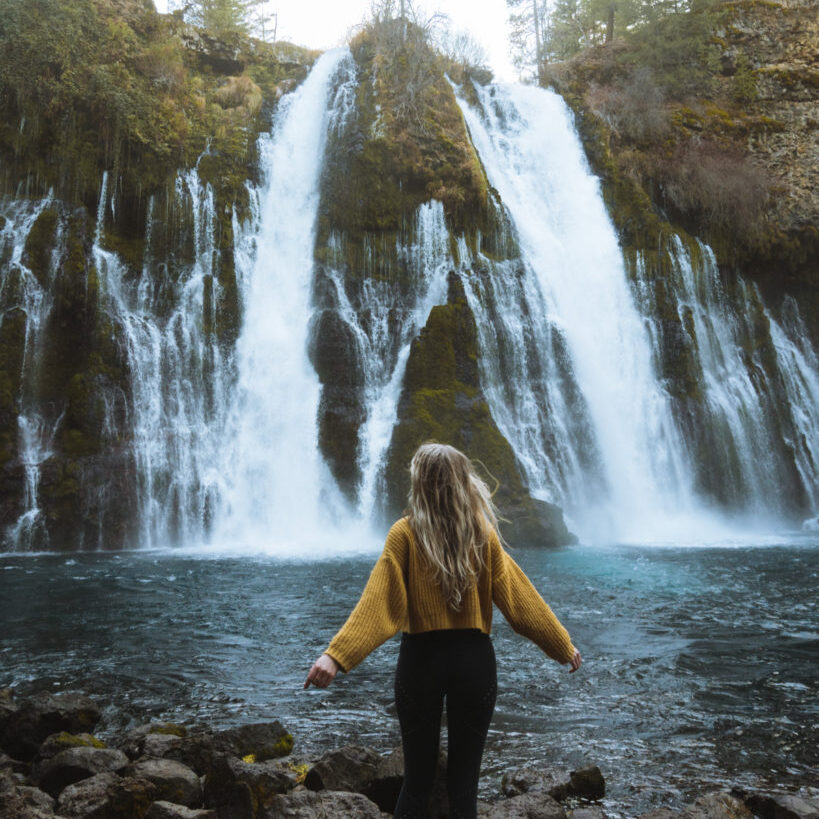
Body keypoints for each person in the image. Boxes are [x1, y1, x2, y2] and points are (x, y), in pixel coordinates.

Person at [305, 442, 582, 819]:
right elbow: (520, 601)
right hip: (474, 663)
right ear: (461, 482)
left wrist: (335, 657)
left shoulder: (404, 534)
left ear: (420, 483)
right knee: (464, 787)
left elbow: (379, 604)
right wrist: (562, 645)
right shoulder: (481, 533)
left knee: (417, 784)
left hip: (421, 661)